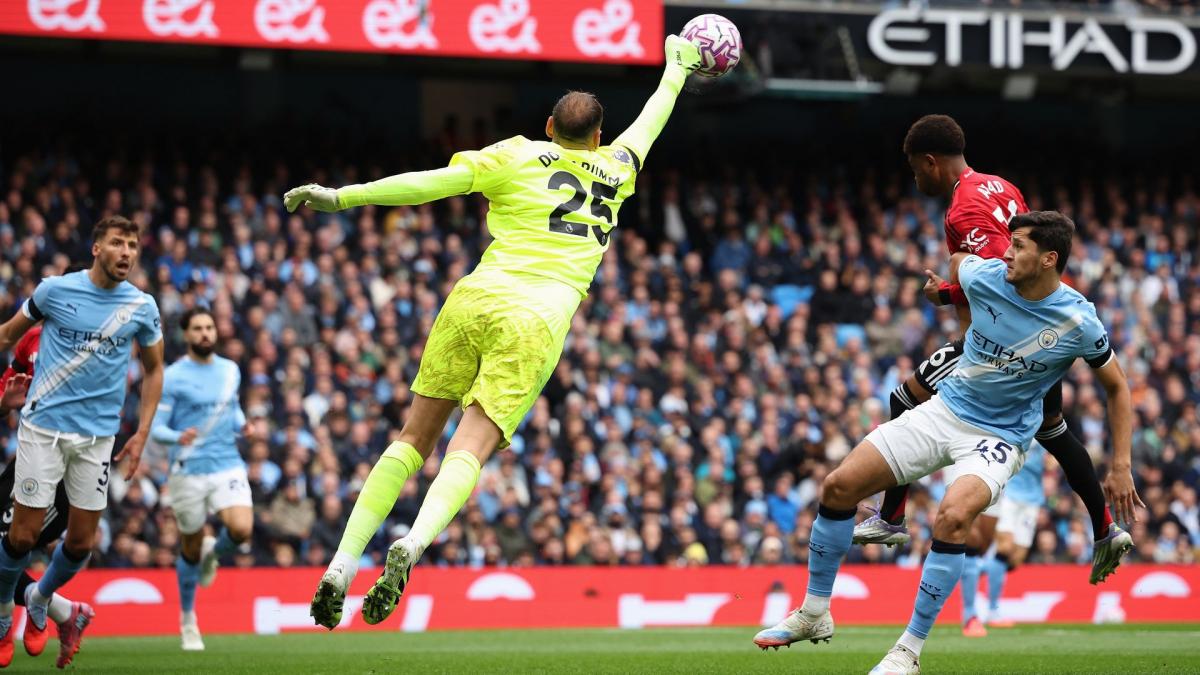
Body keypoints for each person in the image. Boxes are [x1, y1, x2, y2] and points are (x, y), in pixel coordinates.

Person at [284, 34, 703, 630]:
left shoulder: (515, 154)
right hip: (537, 318)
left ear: (549, 126)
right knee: (470, 447)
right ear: (598, 137)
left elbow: (430, 182)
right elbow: (651, 121)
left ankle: (341, 563)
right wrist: (677, 68)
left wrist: (343, 197)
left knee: (412, 438)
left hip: (475, 298)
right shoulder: (617, 167)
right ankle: (413, 544)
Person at [753, 212, 1141, 674]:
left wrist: (1121, 465)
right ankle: (814, 613)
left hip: (999, 437)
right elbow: (959, 260)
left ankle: (907, 653)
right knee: (838, 487)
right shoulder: (985, 275)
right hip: (944, 412)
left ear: (1048, 259)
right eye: (1009, 243)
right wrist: (945, 291)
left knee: (954, 517)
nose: (1007, 253)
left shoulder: (1078, 320)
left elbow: (1117, 387)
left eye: (1018, 246)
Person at [854, 114, 1130, 585]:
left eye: (915, 170)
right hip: (1038, 334)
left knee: (902, 399)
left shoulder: (962, 211)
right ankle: (1105, 527)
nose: (915, 179)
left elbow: (1004, 276)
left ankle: (892, 518)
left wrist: (944, 294)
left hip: (994, 345)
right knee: (1054, 430)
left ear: (930, 162)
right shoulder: (1000, 185)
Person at [0, 216, 164, 665]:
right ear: (96, 248)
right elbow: (9, 334)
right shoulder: (54, 291)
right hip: (43, 429)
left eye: (132, 245)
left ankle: (40, 599)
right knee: (21, 536)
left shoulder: (142, 306)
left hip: (96, 440)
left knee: (80, 545)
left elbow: (154, 370)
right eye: (117, 243)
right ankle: (3, 615)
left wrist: (141, 433)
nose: (126, 252)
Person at [151, 307, 253, 651]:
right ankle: (188, 621)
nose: (205, 333)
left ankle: (215, 553)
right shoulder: (173, 376)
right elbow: (157, 427)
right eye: (197, 328)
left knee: (241, 529)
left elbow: (231, 409)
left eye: (209, 327)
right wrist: (176, 437)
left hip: (227, 463)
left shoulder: (230, 370)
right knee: (190, 547)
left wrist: (243, 425)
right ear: (186, 334)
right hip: (187, 470)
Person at [0, 371, 94, 668]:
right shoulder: (27, 347)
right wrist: (4, 405)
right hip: (28, 457)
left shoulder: (94, 350)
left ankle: (16, 613)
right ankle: (62, 610)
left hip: (61, 470)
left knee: (12, 542)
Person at [954, 442, 1045, 637]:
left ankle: (974, 568)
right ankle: (993, 611)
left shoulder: (1043, 431)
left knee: (1015, 558)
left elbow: (1051, 461)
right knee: (1004, 547)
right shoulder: (1018, 428)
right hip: (1009, 494)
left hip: (1032, 498)